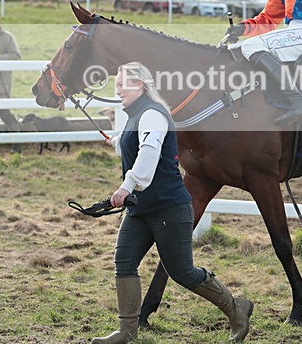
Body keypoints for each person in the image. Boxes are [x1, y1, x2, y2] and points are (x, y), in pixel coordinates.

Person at [93, 62, 253, 344]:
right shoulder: (136, 116)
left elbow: (149, 155)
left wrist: (125, 186)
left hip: (169, 207)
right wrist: (117, 141)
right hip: (140, 209)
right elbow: (135, 142)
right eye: (116, 84)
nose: (117, 90)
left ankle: (236, 309)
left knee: (182, 272)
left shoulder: (153, 114)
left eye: (123, 84)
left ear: (140, 85)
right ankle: (128, 332)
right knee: (124, 262)